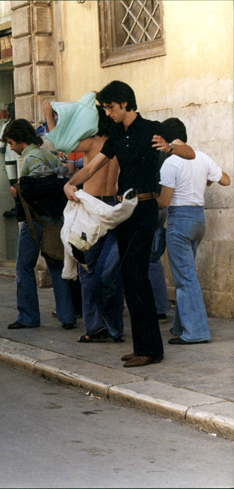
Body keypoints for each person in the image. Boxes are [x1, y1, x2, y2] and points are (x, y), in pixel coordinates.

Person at [64, 80, 196, 368]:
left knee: (135, 275)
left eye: (110, 107)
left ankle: (148, 349)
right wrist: (70, 184)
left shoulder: (152, 128)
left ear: (124, 102)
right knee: (129, 276)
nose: (107, 112)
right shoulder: (115, 137)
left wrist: (170, 146)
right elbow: (90, 167)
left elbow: (190, 153)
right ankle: (145, 346)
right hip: (124, 209)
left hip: (146, 207)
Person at [42, 99, 124, 343]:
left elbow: (59, 143)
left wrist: (49, 115)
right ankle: (114, 326)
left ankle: (94, 325)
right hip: (112, 205)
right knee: (112, 272)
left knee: (87, 268)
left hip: (90, 207)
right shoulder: (119, 140)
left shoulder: (93, 142)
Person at [157, 117, 230, 345]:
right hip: (199, 220)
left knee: (185, 278)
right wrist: (206, 180)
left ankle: (196, 331)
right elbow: (226, 180)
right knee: (186, 274)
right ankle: (181, 327)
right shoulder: (202, 157)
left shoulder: (171, 162)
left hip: (179, 221)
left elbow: (165, 202)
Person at [4, 119, 76, 331]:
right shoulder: (47, 154)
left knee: (24, 266)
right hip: (55, 218)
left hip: (35, 219)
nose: (11, 147)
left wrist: (19, 190)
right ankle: (67, 315)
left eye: (11, 142)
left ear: (20, 140)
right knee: (56, 264)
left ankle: (28, 316)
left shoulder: (31, 158)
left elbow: (39, 189)